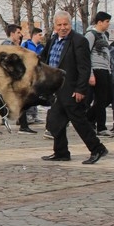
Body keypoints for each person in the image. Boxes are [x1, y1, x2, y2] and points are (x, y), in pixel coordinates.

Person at [40, 11, 109, 164]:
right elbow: (44, 59)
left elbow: (84, 67)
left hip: (71, 90)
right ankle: (61, 152)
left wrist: (80, 89)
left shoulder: (79, 41)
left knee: (79, 122)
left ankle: (97, 148)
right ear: (55, 26)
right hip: (56, 89)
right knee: (55, 121)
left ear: (70, 24)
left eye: (66, 24)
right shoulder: (52, 41)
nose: (63, 27)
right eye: (60, 25)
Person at [84, 11, 114, 138]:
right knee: (101, 99)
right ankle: (101, 127)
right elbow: (85, 55)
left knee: (108, 98)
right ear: (100, 22)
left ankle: (88, 118)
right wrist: (90, 73)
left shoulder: (104, 36)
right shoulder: (91, 35)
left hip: (105, 70)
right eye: (107, 21)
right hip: (96, 70)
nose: (108, 24)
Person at [1, 24, 36, 135]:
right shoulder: (7, 46)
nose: (20, 35)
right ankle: (23, 126)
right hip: (10, 79)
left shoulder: (12, 45)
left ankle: (23, 125)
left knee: (21, 100)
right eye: (18, 33)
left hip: (12, 79)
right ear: (12, 33)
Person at [22, 27, 44, 124]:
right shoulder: (26, 45)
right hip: (28, 73)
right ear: (34, 35)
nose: (41, 37)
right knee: (29, 94)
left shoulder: (41, 47)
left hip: (38, 74)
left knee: (36, 93)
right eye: (39, 35)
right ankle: (28, 115)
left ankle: (34, 115)